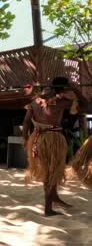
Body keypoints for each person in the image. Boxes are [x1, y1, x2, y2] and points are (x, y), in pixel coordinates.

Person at [23, 77, 88, 216]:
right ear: (64, 88)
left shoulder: (35, 101)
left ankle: (54, 197)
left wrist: (25, 139)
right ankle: (48, 209)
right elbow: (86, 105)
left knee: (50, 169)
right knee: (51, 172)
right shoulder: (62, 102)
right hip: (52, 139)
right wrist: (75, 89)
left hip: (37, 138)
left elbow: (27, 122)